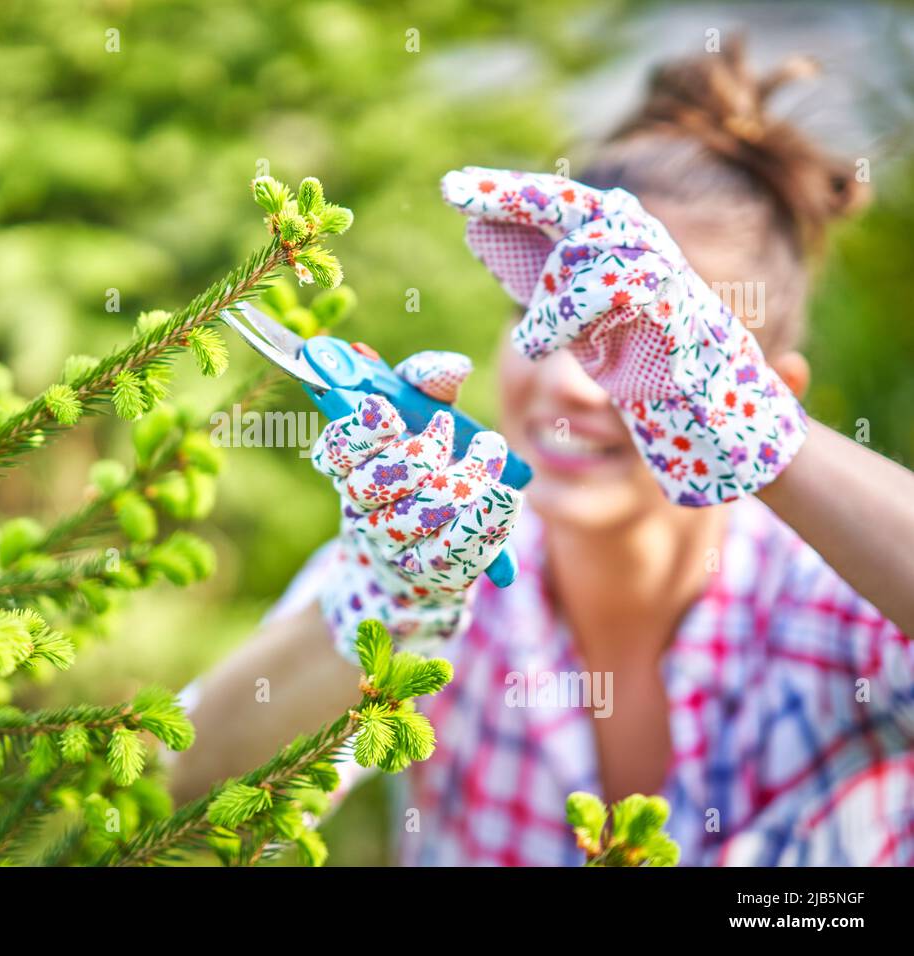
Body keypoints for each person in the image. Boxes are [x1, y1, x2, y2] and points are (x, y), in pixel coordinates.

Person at [169, 40, 914, 865]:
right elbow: (174, 800)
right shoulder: (432, 554)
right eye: (549, 314)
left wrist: (778, 444)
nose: (572, 385)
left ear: (766, 387)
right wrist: (386, 599)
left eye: (632, 344)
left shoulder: (842, 601)